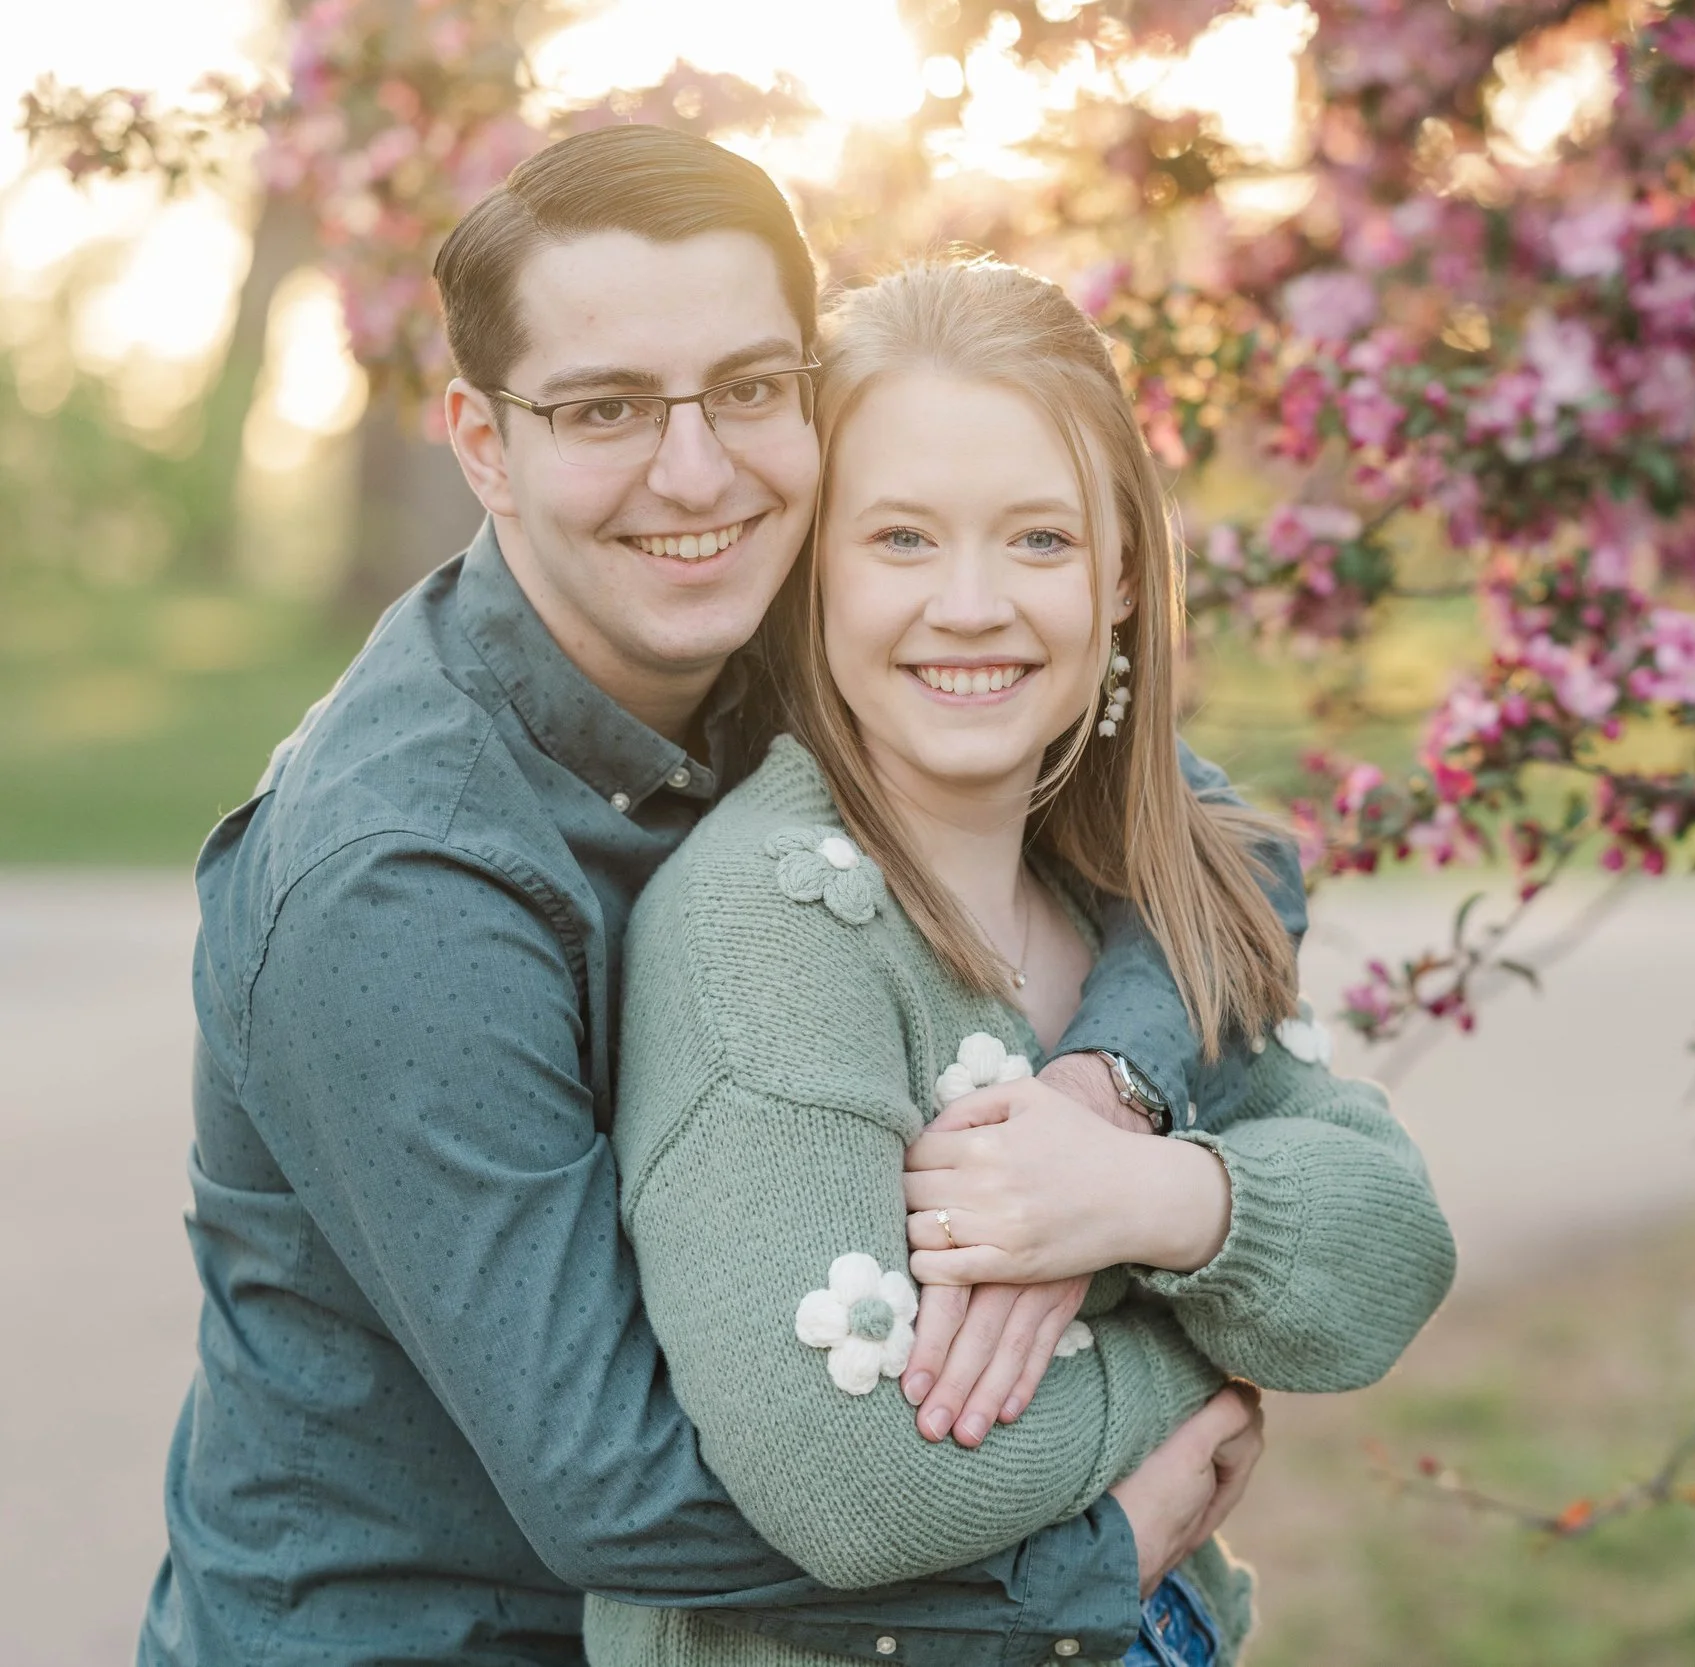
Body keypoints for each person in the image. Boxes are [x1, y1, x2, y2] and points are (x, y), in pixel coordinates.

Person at [144, 125, 1305, 1667]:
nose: (695, 471)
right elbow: (614, 1488)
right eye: (603, 408)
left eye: (752, 389)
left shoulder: (805, 635)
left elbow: (1219, 836)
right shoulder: (396, 884)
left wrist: (1111, 1096)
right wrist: (1100, 1523)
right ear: (481, 442)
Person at [582, 256, 1457, 1667]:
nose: (975, 604)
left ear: (1120, 577)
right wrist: (1207, 1364)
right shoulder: (770, 925)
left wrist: (1152, 1193)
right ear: (811, 569)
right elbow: (854, 1482)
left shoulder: (1135, 896)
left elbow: (1393, 1256)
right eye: (904, 540)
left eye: (1040, 541)